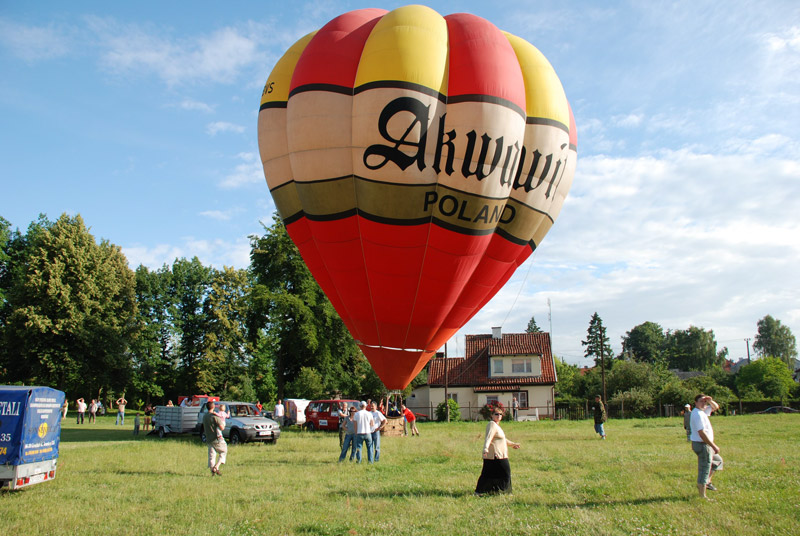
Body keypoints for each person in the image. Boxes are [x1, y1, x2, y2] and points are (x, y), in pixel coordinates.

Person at [475, 408, 520, 495]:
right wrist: (485, 448)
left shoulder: (497, 426)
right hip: (495, 455)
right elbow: (488, 437)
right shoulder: (492, 424)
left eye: (500, 414)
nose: (498, 416)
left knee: (489, 474)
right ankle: (505, 492)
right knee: (505, 473)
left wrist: (512, 444)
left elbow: (503, 440)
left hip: (499, 454)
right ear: (492, 415)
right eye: (496, 414)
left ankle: (489, 491)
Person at [690, 394, 723, 499]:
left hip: (705, 444)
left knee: (718, 461)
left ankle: (707, 482)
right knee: (704, 469)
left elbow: (715, 407)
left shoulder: (702, 411)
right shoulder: (697, 414)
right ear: (695, 403)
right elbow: (702, 433)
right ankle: (702, 495)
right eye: (701, 401)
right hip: (703, 445)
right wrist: (713, 446)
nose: (703, 403)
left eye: (704, 401)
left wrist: (710, 400)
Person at [203, 401, 227, 476]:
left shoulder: (205, 416)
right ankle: (216, 467)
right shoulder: (214, 416)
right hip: (217, 438)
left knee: (211, 455)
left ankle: (212, 470)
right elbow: (222, 428)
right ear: (213, 407)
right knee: (223, 451)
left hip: (209, 438)